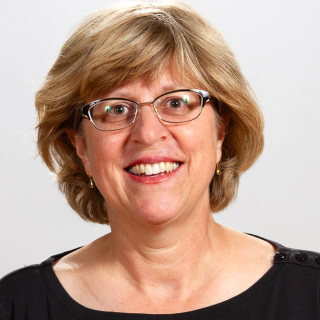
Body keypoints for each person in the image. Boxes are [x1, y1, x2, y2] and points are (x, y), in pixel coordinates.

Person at [0, 1, 319, 319]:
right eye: (116, 109)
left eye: (177, 102)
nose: (148, 133)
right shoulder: (17, 306)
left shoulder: (311, 292)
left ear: (221, 130)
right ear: (81, 146)